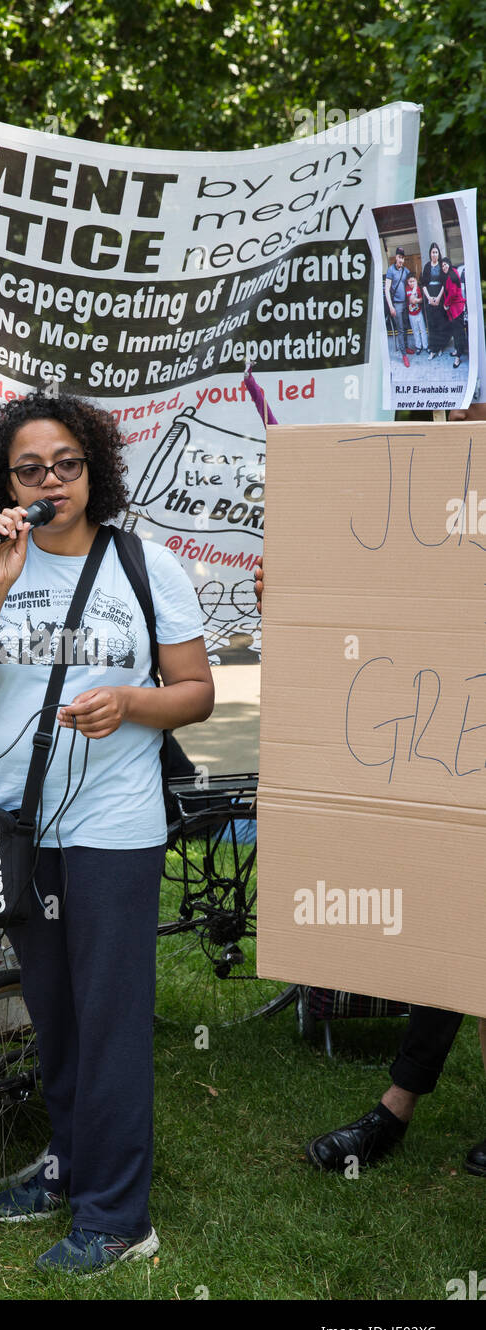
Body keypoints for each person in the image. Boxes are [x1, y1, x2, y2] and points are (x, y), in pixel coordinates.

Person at [0, 391, 213, 1273]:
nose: (51, 480)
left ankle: (117, 1216)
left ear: (93, 468)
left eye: (67, 464)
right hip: (18, 821)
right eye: (31, 469)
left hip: (113, 824)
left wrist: (134, 704)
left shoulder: (147, 565)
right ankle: (66, 1164)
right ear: (7, 482)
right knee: (53, 1010)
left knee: (109, 1019)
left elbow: (196, 692)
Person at [253, 400, 486, 1175]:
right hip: (454, 757)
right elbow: (377, 616)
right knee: (456, 937)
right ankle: (394, 1112)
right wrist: (290, 607)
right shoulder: (446, 519)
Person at [383, 246, 410, 367]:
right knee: (400, 330)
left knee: (405, 327)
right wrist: (391, 306)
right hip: (396, 305)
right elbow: (386, 289)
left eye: (403, 258)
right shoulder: (390, 270)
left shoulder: (406, 271)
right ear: (396, 257)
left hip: (406, 304)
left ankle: (406, 347)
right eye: (399, 257)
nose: (401, 260)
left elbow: (411, 282)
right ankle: (404, 354)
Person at [440, 259, 467, 369]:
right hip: (454, 309)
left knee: (459, 333)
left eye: (445, 264)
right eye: (442, 266)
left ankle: (458, 357)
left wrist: (446, 304)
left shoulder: (452, 275)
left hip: (456, 308)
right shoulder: (452, 273)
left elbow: (452, 293)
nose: (444, 267)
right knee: (456, 332)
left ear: (449, 264)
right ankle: (457, 351)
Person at [421, 243, 446, 356]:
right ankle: (433, 349)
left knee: (440, 322)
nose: (434, 254)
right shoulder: (427, 266)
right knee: (431, 323)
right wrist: (429, 298)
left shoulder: (442, 265)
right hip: (429, 295)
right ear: (430, 254)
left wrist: (439, 298)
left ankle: (440, 347)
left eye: (436, 252)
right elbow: (424, 284)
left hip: (440, 294)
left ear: (438, 253)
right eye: (433, 252)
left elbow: (444, 283)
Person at [406, 275, 428, 354]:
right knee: (415, 331)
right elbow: (412, 300)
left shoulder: (418, 289)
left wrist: (417, 299)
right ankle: (418, 346)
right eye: (410, 281)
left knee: (423, 330)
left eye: (413, 281)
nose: (412, 283)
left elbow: (421, 300)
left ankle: (425, 346)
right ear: (408, 282)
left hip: (419, 312)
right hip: (411, 314)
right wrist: (415, 297)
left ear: (416, 281)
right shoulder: (408, 289)